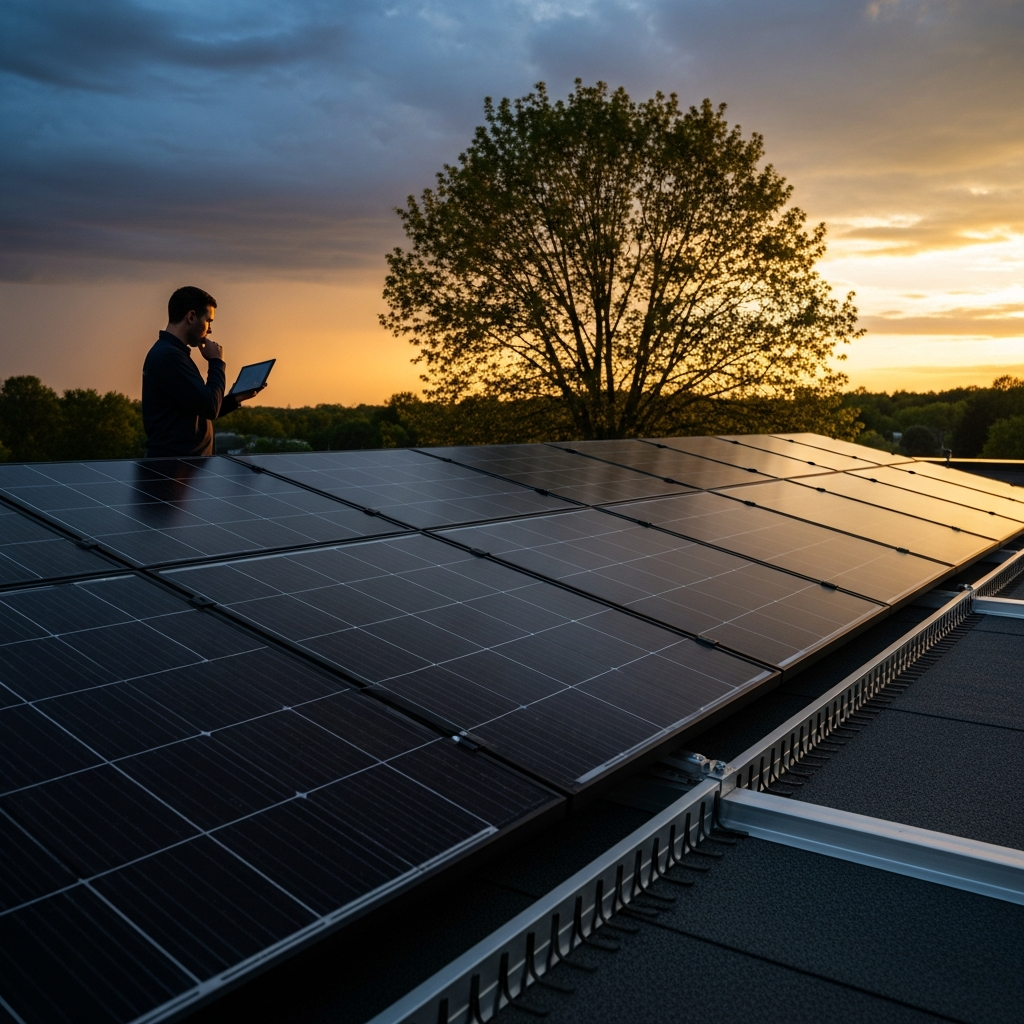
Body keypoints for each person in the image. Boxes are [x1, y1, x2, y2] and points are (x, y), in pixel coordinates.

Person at [142, 286, 263, 457]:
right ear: (191, 317)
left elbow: (201, 408)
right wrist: (217, 362)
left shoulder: (171, 353)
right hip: (173, 470)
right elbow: (210, 407)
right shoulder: (169, 356)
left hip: (182, 468)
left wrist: (235, 399)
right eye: (209, 321)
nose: (210, 329)